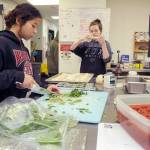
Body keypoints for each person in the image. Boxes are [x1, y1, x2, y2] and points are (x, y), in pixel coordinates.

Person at [0, 3, 58, 101]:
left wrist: (44, 87)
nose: (35, 31)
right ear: (19, 20)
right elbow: (21, 76)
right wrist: (19, 76)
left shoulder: (23, 48)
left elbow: (27, 77)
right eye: (33, 26)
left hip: (19, 106)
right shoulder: (2, 42)